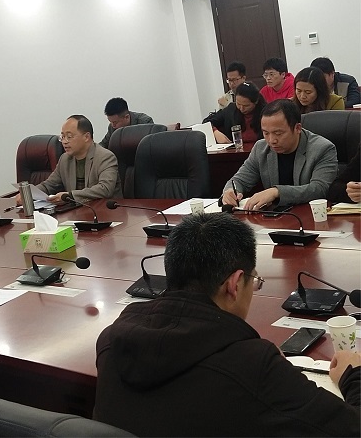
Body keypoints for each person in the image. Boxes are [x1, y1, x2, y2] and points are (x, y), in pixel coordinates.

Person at [94, 212, 360, 436]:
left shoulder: (111, 340)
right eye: (254, 282)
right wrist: (353, 375)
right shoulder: (253, 365)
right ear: (234, 284)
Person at [221, 99, 337, 210]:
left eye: (278, 133)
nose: (272, 140)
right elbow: (240, 180)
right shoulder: (260, 148)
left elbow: (319, 189)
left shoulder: (322, 149)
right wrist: (231, 191)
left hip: (310, 215)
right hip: (275, 217)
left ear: (297, 128)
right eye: (266, 133)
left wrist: (277, 192)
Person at [18, 115, 120, 204]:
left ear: (86, 137)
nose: (64, 142)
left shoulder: (105, 157)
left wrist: (70, 196)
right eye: (62, 137)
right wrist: (29, 194)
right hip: (78, 213)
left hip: (106, 212)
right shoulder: (65, 159)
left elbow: (105, 189)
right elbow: (49, 185)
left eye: (69, 136)